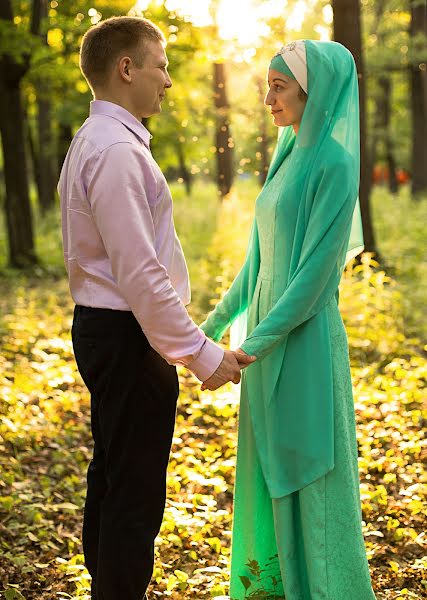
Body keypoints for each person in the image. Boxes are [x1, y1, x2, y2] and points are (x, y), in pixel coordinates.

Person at [58, 16, 255, 600]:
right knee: (134, 489)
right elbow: (139, 271)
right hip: (125, 335)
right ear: (127, 69)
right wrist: (199, 352)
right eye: (161, 65)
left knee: (114, 475)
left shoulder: (97, 139)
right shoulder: (116, 150)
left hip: (111, 330)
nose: (167, 80)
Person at [200, 40, 377, 599]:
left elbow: (315, 277)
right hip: (264, 346)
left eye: (279, 86)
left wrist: (253, 343)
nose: (268, 97)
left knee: (312, 474)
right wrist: (209, 328)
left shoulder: (335, 163)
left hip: (301, 346)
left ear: (311, 90)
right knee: (268, 471)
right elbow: (258, 261)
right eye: (268, 84)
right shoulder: (286, 155)